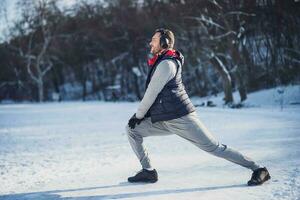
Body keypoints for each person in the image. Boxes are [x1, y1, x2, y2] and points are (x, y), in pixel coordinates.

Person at [126, 28, 271, 186]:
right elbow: (157, 97)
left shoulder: (167, 64)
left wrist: (138, 116)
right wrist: (141, 117)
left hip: (181, 117)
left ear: (164, 42)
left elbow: (151, 94)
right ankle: (148, 171)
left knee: (214, 148)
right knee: (132, 130)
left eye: (154, 39)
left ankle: (258, 169)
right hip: (164, 119)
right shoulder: (161, 61)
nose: (150, 43)